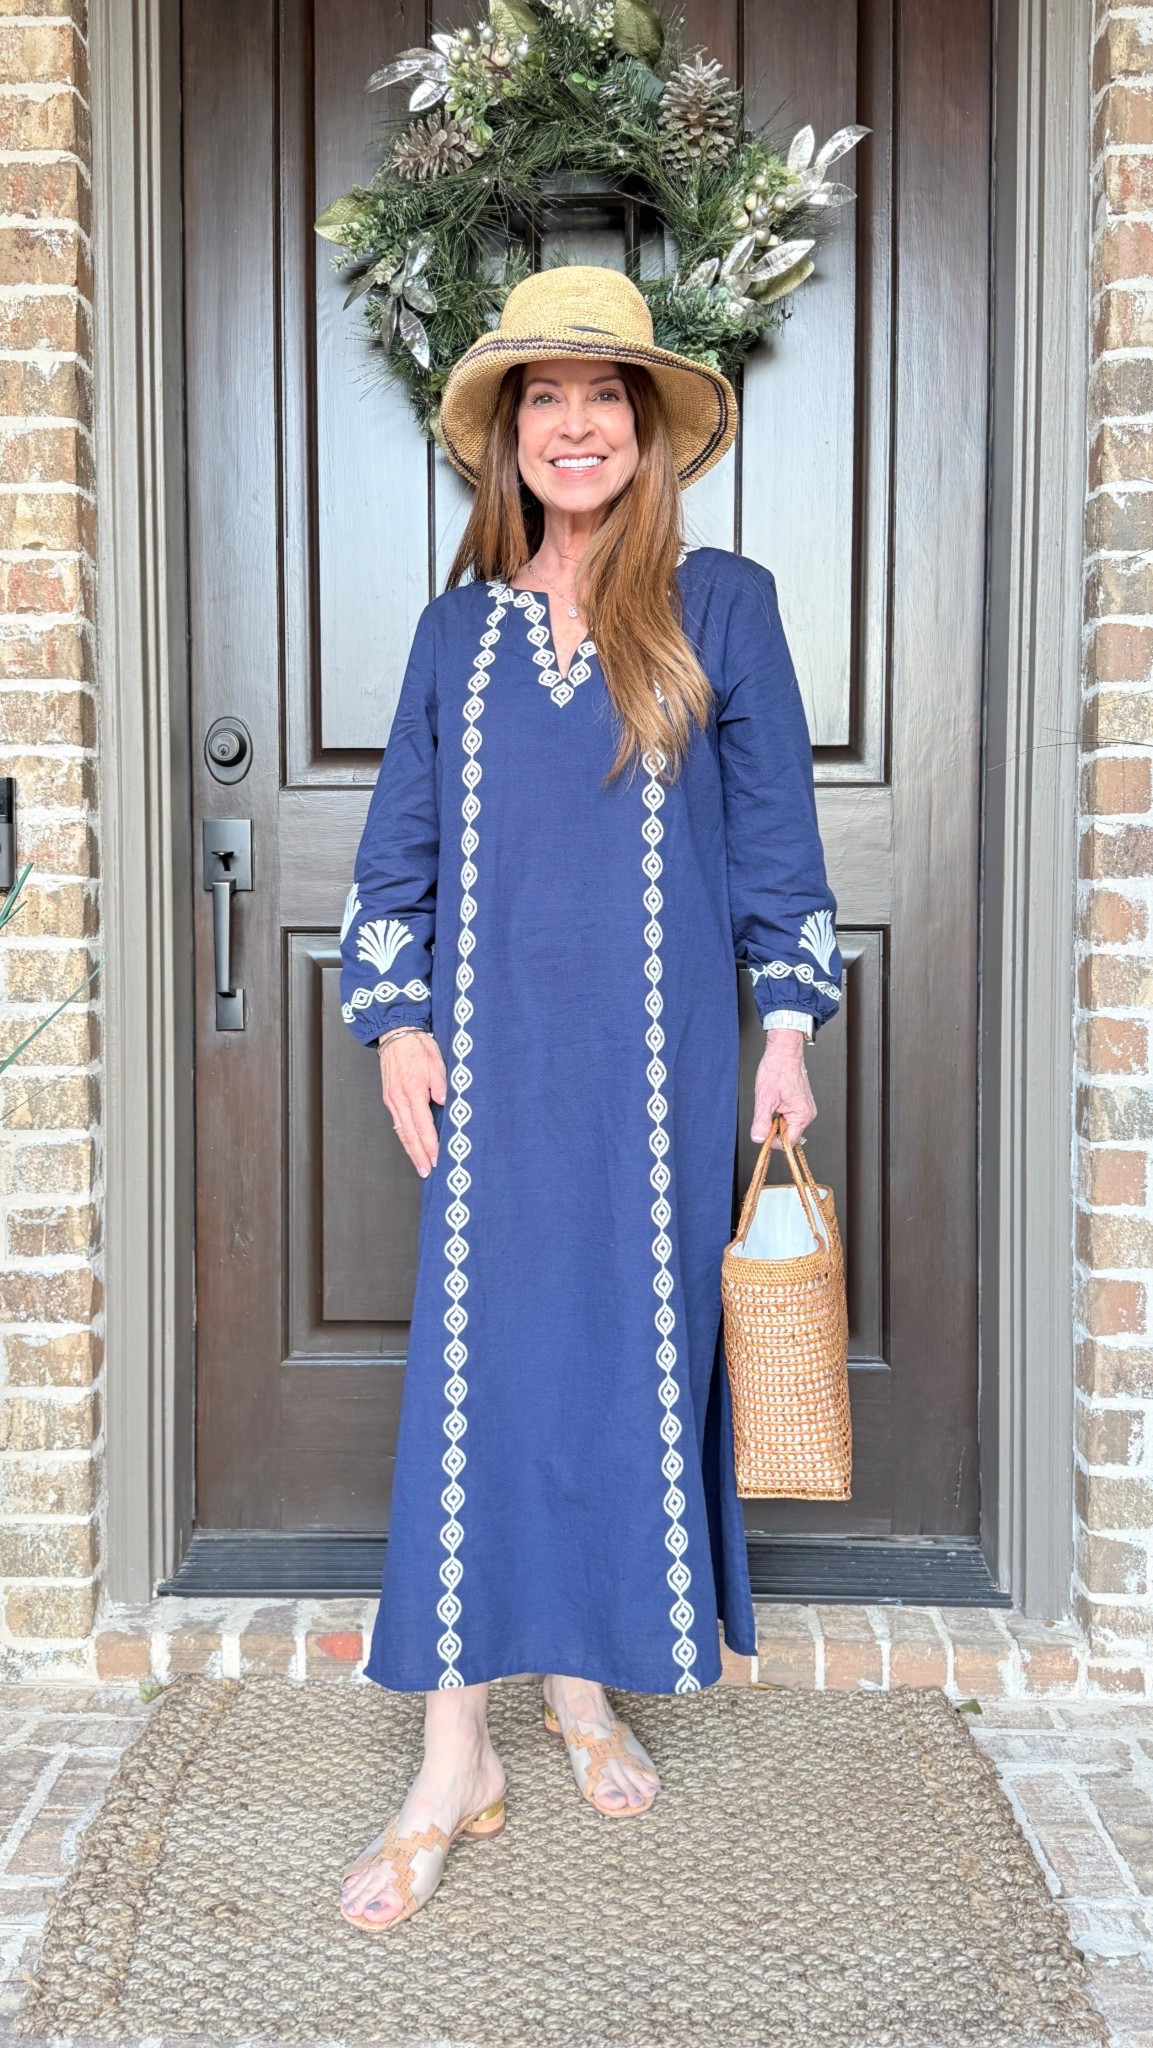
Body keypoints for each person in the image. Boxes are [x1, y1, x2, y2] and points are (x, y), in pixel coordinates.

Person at [337, 266, 842, 1931]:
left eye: (602, 397)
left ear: (645, 429)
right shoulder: (452, 636)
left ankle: (583, 1693)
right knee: (480, 1389)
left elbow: (776, 852)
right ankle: (452, 1754)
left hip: (665, 1077)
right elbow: (392, 866)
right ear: (505, 433)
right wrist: (397, 1029)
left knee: (630, 1369)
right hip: (491, 1079)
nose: (573, 425)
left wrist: (785, 1033)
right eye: (542, 399)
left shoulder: (726, 604)